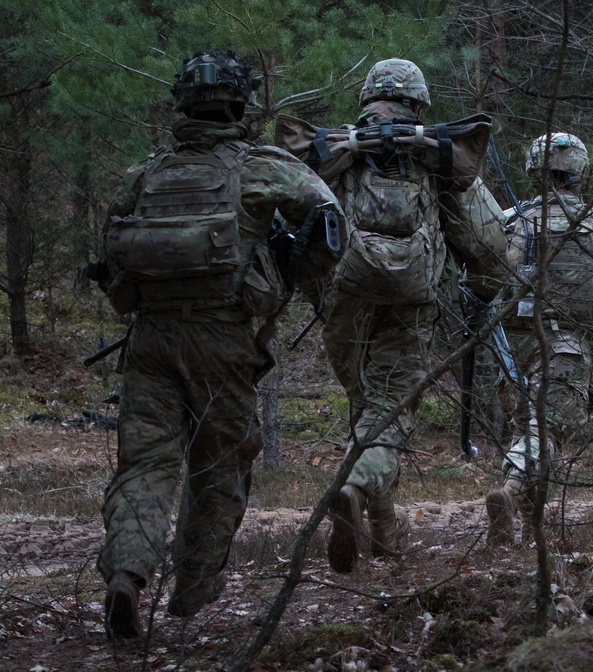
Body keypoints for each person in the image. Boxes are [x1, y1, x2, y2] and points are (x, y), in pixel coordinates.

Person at [94, 49, 346, 640]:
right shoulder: (263, 167)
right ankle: (191, 594)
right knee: (220, 464)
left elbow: (112, 261)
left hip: (151, 341)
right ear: (241, 105)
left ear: (180, 105)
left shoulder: (145, 174)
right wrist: (288, 274)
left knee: (145, 464)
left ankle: (127, 572)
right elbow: (332, 226)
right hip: (224, 340)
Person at [306, 58, 506, 572]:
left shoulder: (335, 152)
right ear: (419, 102)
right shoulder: (437, 158)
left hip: (346, 298)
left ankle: (384, 529)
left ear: (368, 99)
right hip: (412, 300)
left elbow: (296, 230)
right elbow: (485, 244)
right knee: (389, 410)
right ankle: (353, 485)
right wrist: (482, 287)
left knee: (367, 405)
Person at [485, 132, 593, 546]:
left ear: (532, 169)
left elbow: (486, 281)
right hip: (565, 343)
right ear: (580, 170)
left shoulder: (509, 221)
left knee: (526, 429)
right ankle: (510, 493)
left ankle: (528, 528)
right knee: (548, 432)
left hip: (511, 345)